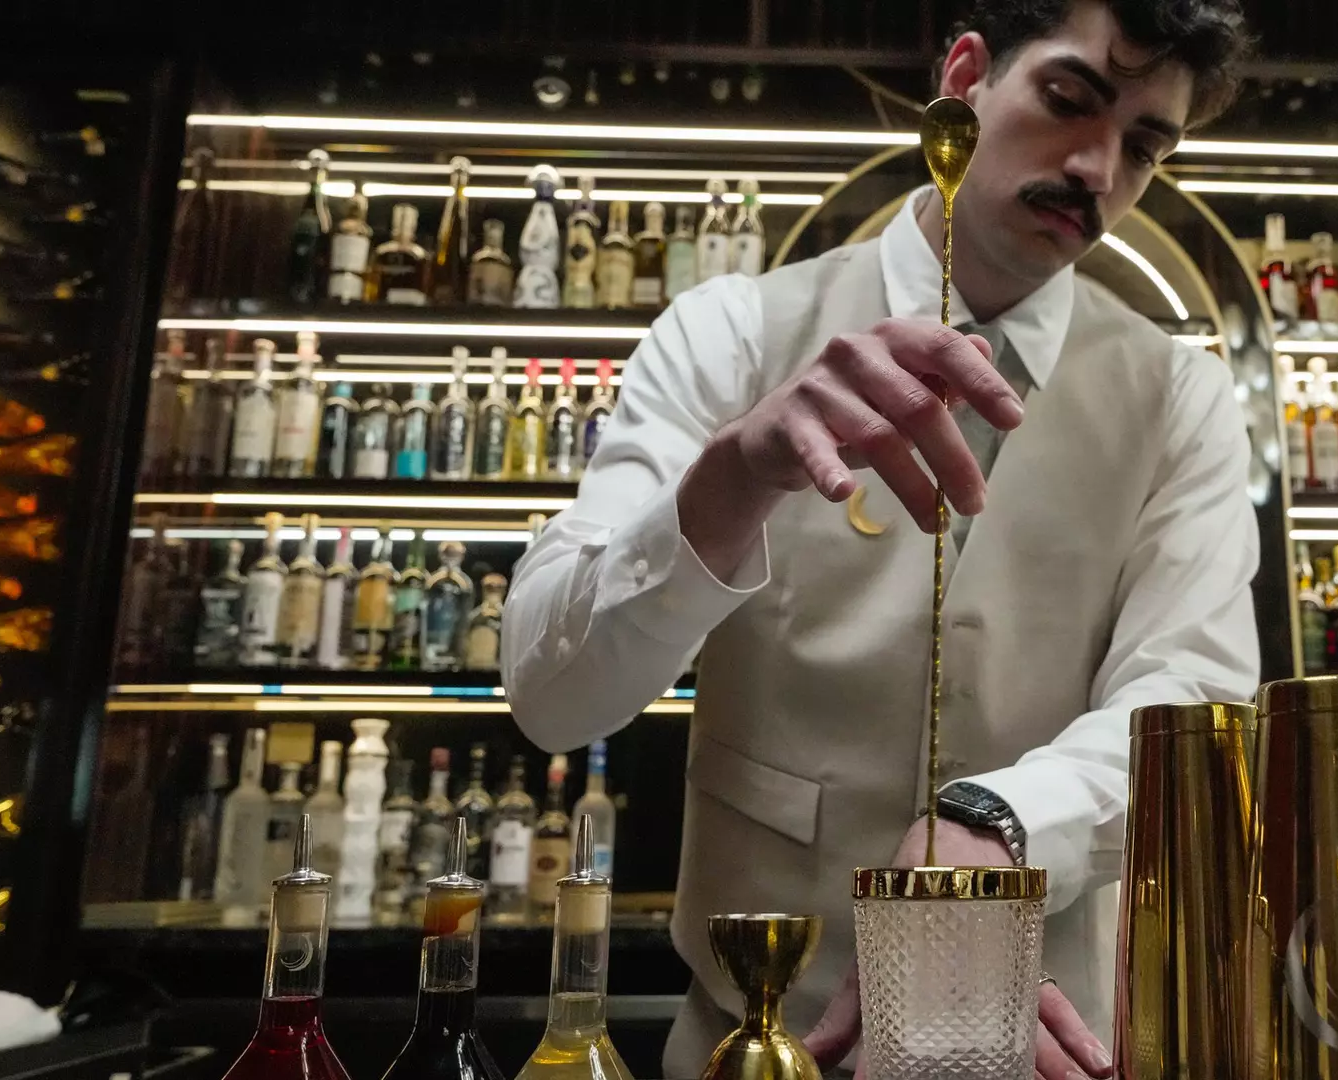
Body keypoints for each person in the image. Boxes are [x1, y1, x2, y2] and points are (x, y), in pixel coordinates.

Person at [503, 0, 1256, 1075]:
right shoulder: (729, 335)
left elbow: (1192, 698)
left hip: (1047, 1053)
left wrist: (998, 822)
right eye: (1069, 101)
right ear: (965, 77)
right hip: (755, 1045)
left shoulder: (1179, 396)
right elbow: (551, 696)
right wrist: (734, 477)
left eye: (1143, 145)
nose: (1097, 167)